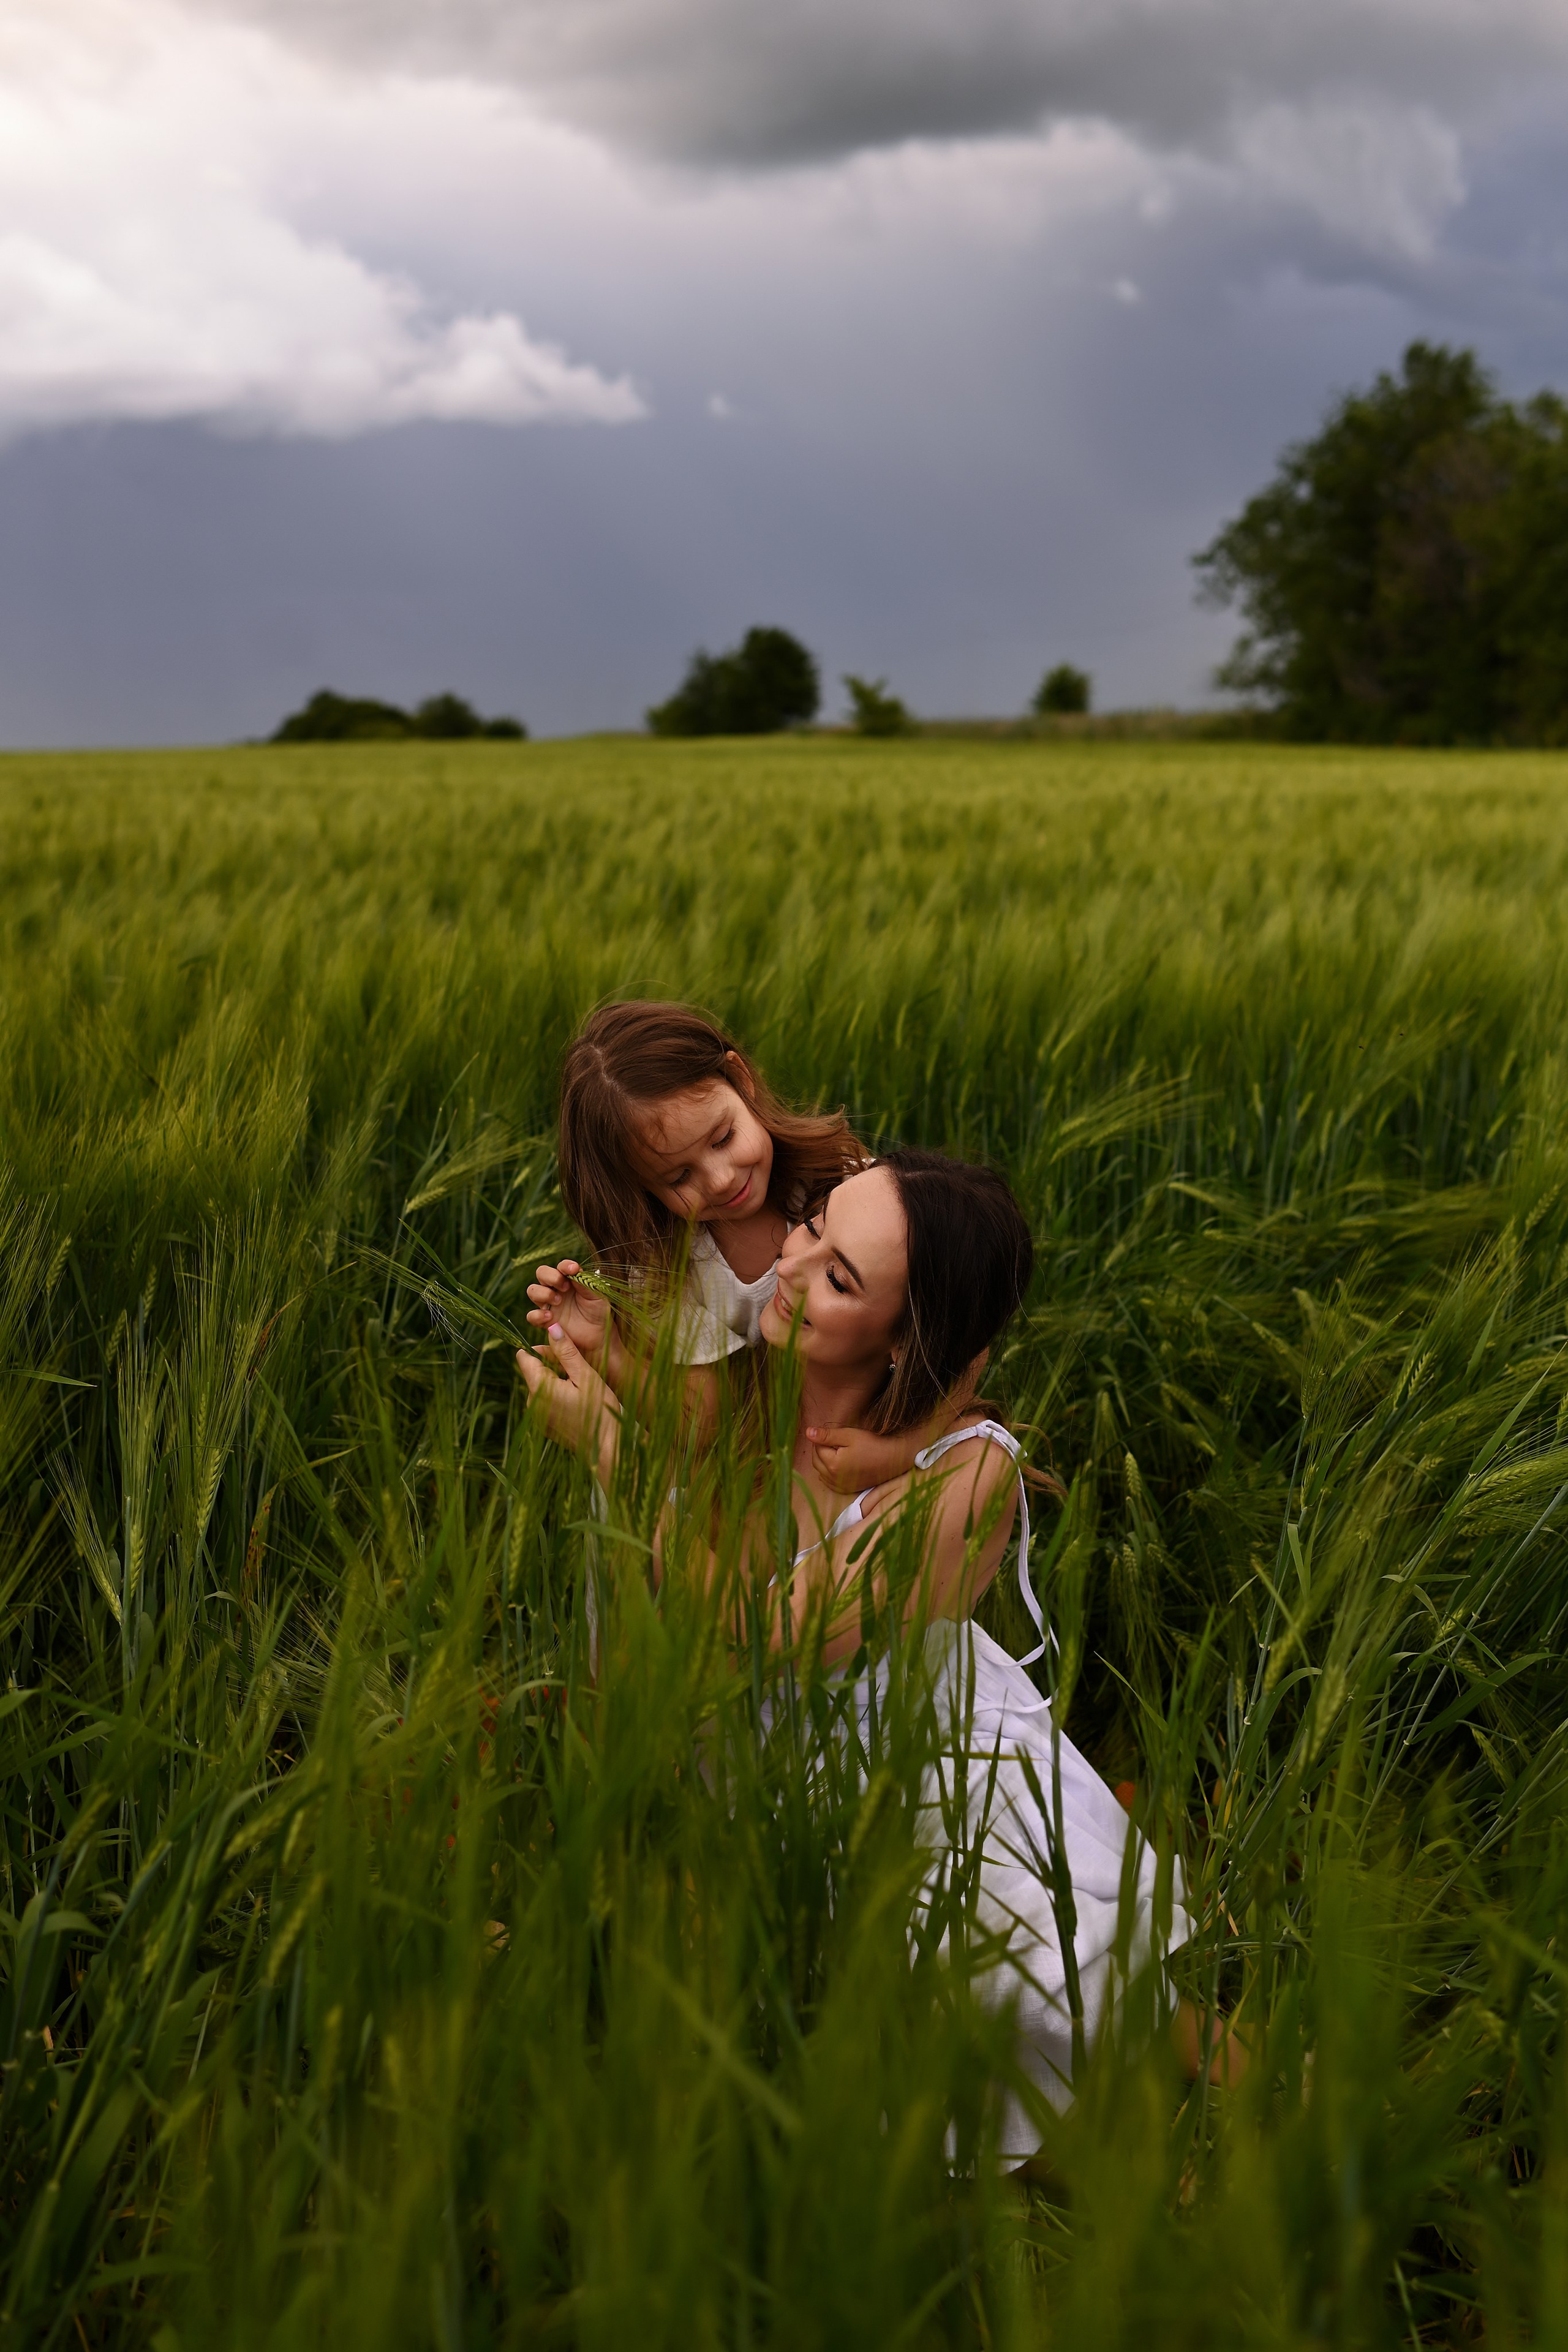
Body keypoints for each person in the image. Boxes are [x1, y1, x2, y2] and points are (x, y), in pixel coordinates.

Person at [518, 1147, 1223, 2157]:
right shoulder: (759, 1388)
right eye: (813, 1229)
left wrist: (614, 1456)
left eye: (841, 1278)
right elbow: (685, 1432)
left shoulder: (963, 1473)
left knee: (1071, 1976)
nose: (794, 1271)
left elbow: (776, 1636)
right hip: (771, 1781)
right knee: (950, 2071)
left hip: (931, 1775)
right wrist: (607, 1348)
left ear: (904, 1342)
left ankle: (1302, 2122)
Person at [527, 998, 978, 1487]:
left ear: (740, 1080)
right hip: (740, 1484)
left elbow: (964, 1332)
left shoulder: (847, 1186)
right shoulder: (667, 1268)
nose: (720, 1180)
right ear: (641, 1189)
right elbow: (706, 1423)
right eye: (679, 1176)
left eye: (722, 1138)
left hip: (861, 1451)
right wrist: (608, 1352)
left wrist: (903, 1450)